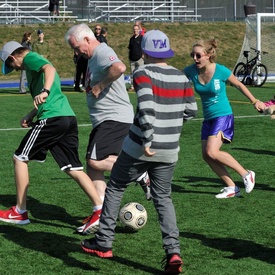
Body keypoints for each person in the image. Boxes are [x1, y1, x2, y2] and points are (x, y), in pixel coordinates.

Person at [80, 30, 198, 274]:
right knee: (163, 198)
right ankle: (173, 252)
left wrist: (148, 137)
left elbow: (146, 107)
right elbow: (191, 111)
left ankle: (103, 243)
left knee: (115, 187)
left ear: (144, 51)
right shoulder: (181, 76)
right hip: (170, 150)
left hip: (140, 145)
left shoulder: (142, 72)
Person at [0, 41, 102, 234]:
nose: (13, 70)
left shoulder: (30, 58)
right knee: (72, 167)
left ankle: (19, 212)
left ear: (13, 58)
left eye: (11, 66)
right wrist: (32, 114)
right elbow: (50, 91)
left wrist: (45, 91)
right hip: (66, 117)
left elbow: (50, 68)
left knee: (19, 158)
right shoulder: (32, 67)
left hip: (53, 118)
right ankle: (99, 209)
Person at [64, 23, 150, 235]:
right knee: (94, 166)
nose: (76, 52)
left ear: (86, 39)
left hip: (113, 118)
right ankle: (100, 211)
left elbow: (119, 68)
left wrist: (99, 86)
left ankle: (138, 172)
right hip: (105, 120)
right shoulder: (93, 58)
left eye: (76, 47)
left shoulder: (102, 50)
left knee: (94, 160)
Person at [183, 38, 263, 199]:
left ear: (208, 55)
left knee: (212, 151)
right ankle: (232, 187)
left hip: (223, 115)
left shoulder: (221, 70)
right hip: (208, 118)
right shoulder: (191, 71)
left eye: (198, 55)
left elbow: (239, 85)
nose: (195, 59)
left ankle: (246, 173)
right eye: (193, 55)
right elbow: (175, 81)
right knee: (206, 155)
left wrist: (254, 101)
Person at [128, 24, 144, 91]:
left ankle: (141, 85)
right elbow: (130, 48)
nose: (135, 31)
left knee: (140, 72)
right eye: (134, 29)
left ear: (139, 30)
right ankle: (132, 86)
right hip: (132, 59)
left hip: (139, 59)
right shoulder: (131, 39)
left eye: (136, 29)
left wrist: (143, 55)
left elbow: (144, 47)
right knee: (132, 74)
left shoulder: (141, 38)